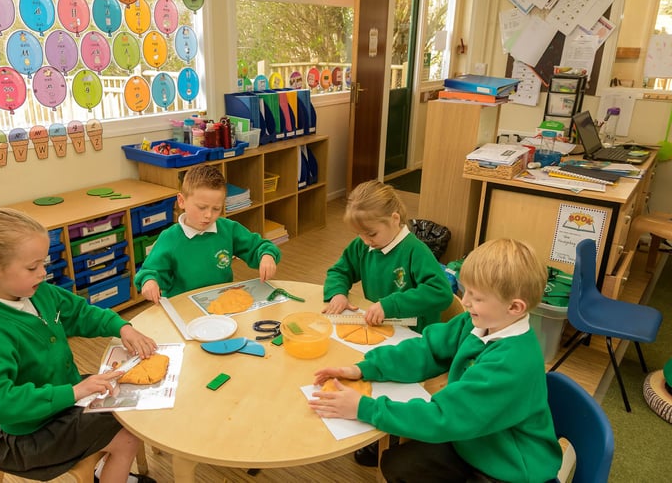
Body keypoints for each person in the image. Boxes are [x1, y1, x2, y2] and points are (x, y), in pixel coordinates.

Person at [310, 238, 563, 482]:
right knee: (396, 464)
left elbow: (444, 416)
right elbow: (427, 349)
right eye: (467, 292)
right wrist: (364, 368)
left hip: (510, 470)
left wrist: (363, 408)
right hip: (474, 439)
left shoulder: (512, 363)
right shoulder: (482, 322)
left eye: (477, 297)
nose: (464, 302)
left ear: (515, 307)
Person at [0, 208, 157, 483]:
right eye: (33, 267)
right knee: (127, 433)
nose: (43, 273)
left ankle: (108, 468)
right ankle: (112, 470)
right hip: (33, 434)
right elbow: (0, 401)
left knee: (127, 392)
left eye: (44, 263)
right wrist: (75, 391)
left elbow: (79, 313)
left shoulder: (36, 290)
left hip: (63, 401)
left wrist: (122, 327)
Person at [135, 164, 281, 303]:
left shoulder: (228, 229)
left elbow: (258, 246)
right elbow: (150, 271)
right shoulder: (169, 238)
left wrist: (267, 256)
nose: (208, 215)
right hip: (184, 307)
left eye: (216, 208)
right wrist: (149, 281)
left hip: (222, 302)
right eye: (202, 207)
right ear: (181, 201)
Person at [323, 179, 453, 333]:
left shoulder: (415, 251)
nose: (365, 241)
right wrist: (338, 293)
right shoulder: (362, 245)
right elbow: (339, 271)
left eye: (372, 233)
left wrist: (390, 305)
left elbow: (441, 293)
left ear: (395, 219)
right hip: (381, 326)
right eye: (359, 234)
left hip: (414, 336)